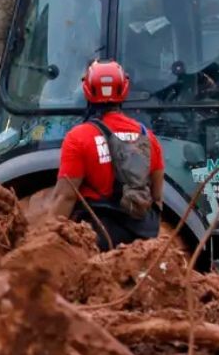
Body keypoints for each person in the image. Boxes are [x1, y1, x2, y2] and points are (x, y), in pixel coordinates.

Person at [51, 60, 165, 251]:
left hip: (97, 238)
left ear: (87, 91)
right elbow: (157, 196)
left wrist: (48, 239)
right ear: (124, 90)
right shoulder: (148, 137)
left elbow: (66, 197)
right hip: (140, 240)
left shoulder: (78, 137)